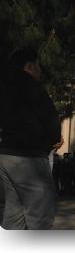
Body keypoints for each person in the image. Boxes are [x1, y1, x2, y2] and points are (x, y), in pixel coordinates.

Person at [0, 47, 63, 229]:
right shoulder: (29, 85)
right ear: (29, 66)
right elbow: (49, 116)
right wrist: (54, 138)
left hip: (6, 155)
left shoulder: (4, 86)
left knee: (14, 211)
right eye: (38, 66)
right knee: (39, 214)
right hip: (29, 157)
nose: (40, 70)